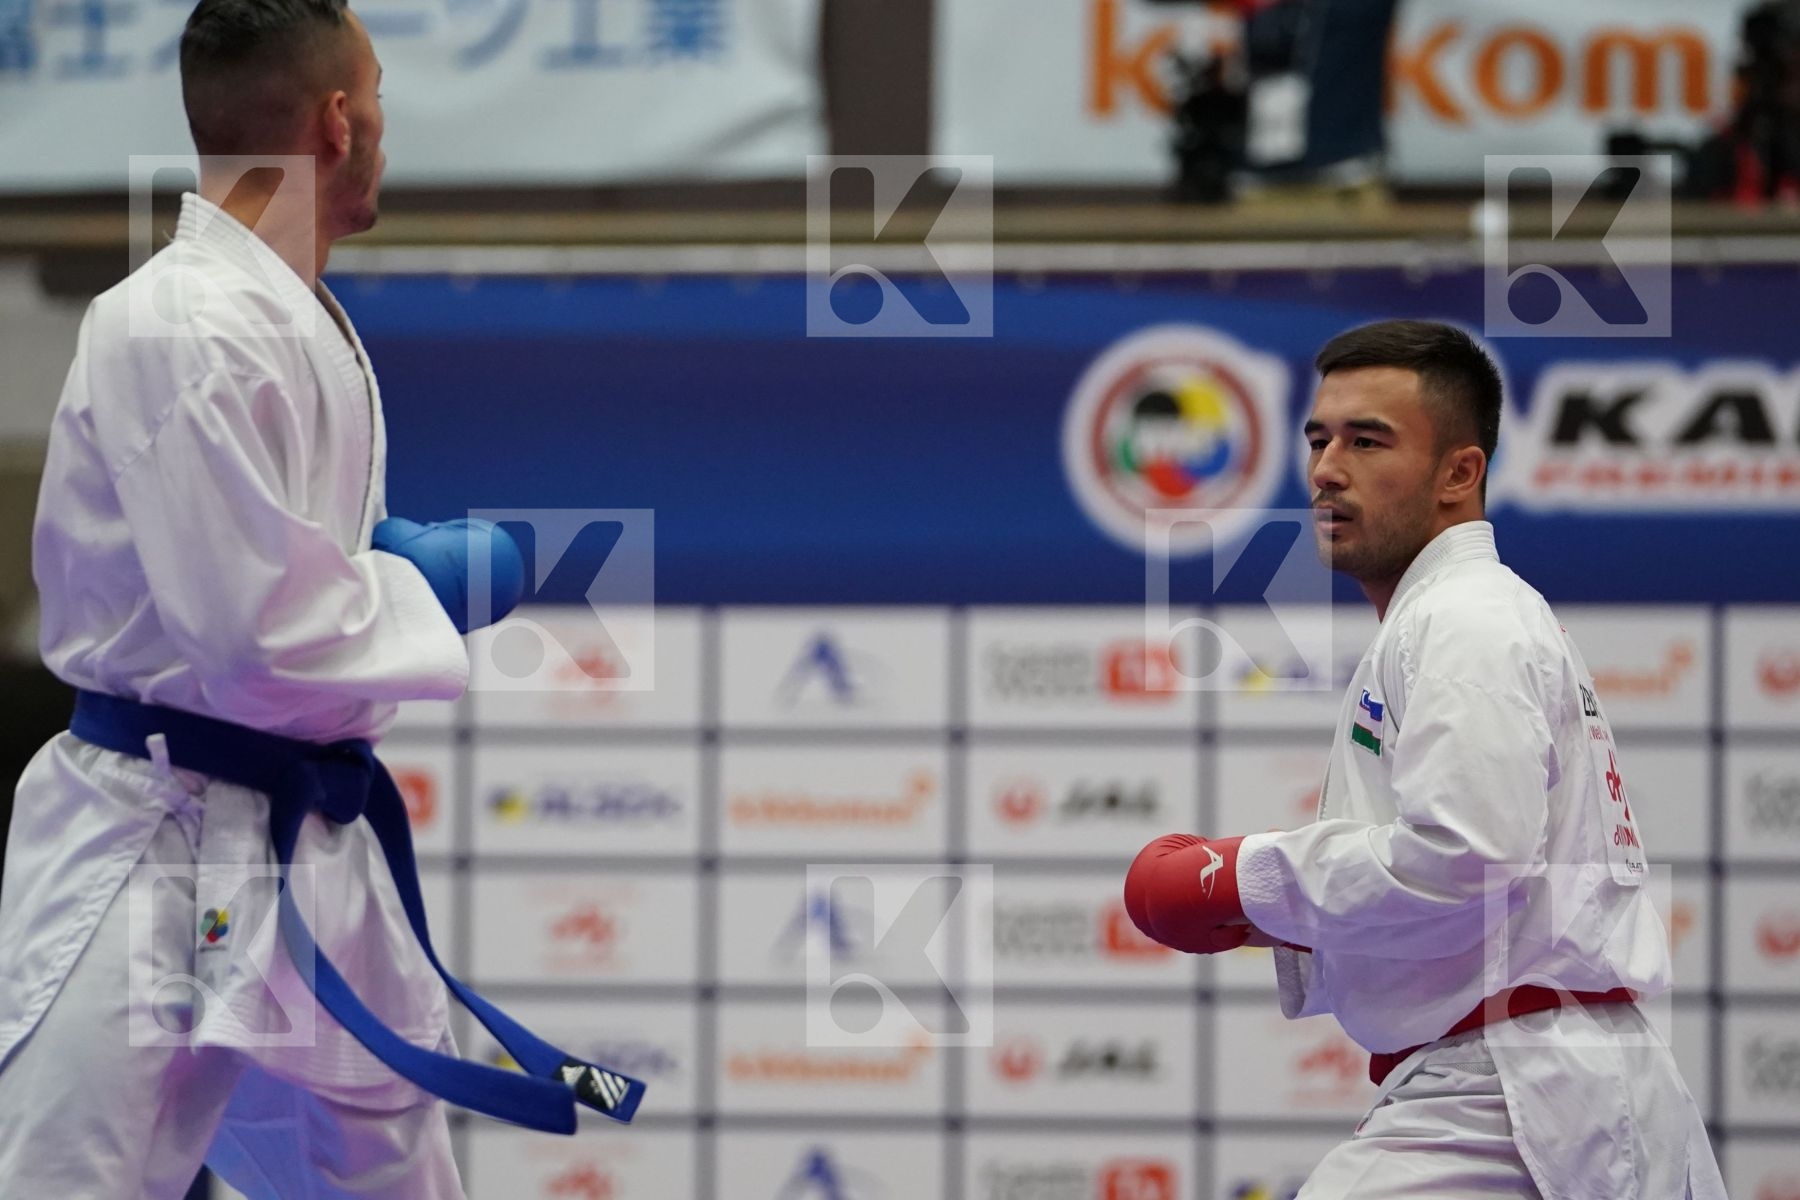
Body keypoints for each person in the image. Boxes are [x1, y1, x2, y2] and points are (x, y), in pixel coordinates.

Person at [0, 2, 637, 1196]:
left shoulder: (284, 314)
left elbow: (261, 578)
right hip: (154, 841)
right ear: (339, 123)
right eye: (381, 96)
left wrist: (367, 557)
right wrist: (419, 588)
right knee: (70, 1183)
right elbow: (252, 642)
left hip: (301, 843)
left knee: (384, 1176)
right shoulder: (181, 322)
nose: (389, 128)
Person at [1122, 320, 1727, 1198]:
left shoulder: (1466, 618)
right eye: (1319, 439)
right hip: (1524, 1082)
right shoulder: (1445, 617)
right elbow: (1477, 876)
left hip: (1513, 1095)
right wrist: (1277, 916)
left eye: (1369, 442)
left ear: (1459, 473)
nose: (1328, 469)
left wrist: (1240, 876)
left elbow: (1467, 860)